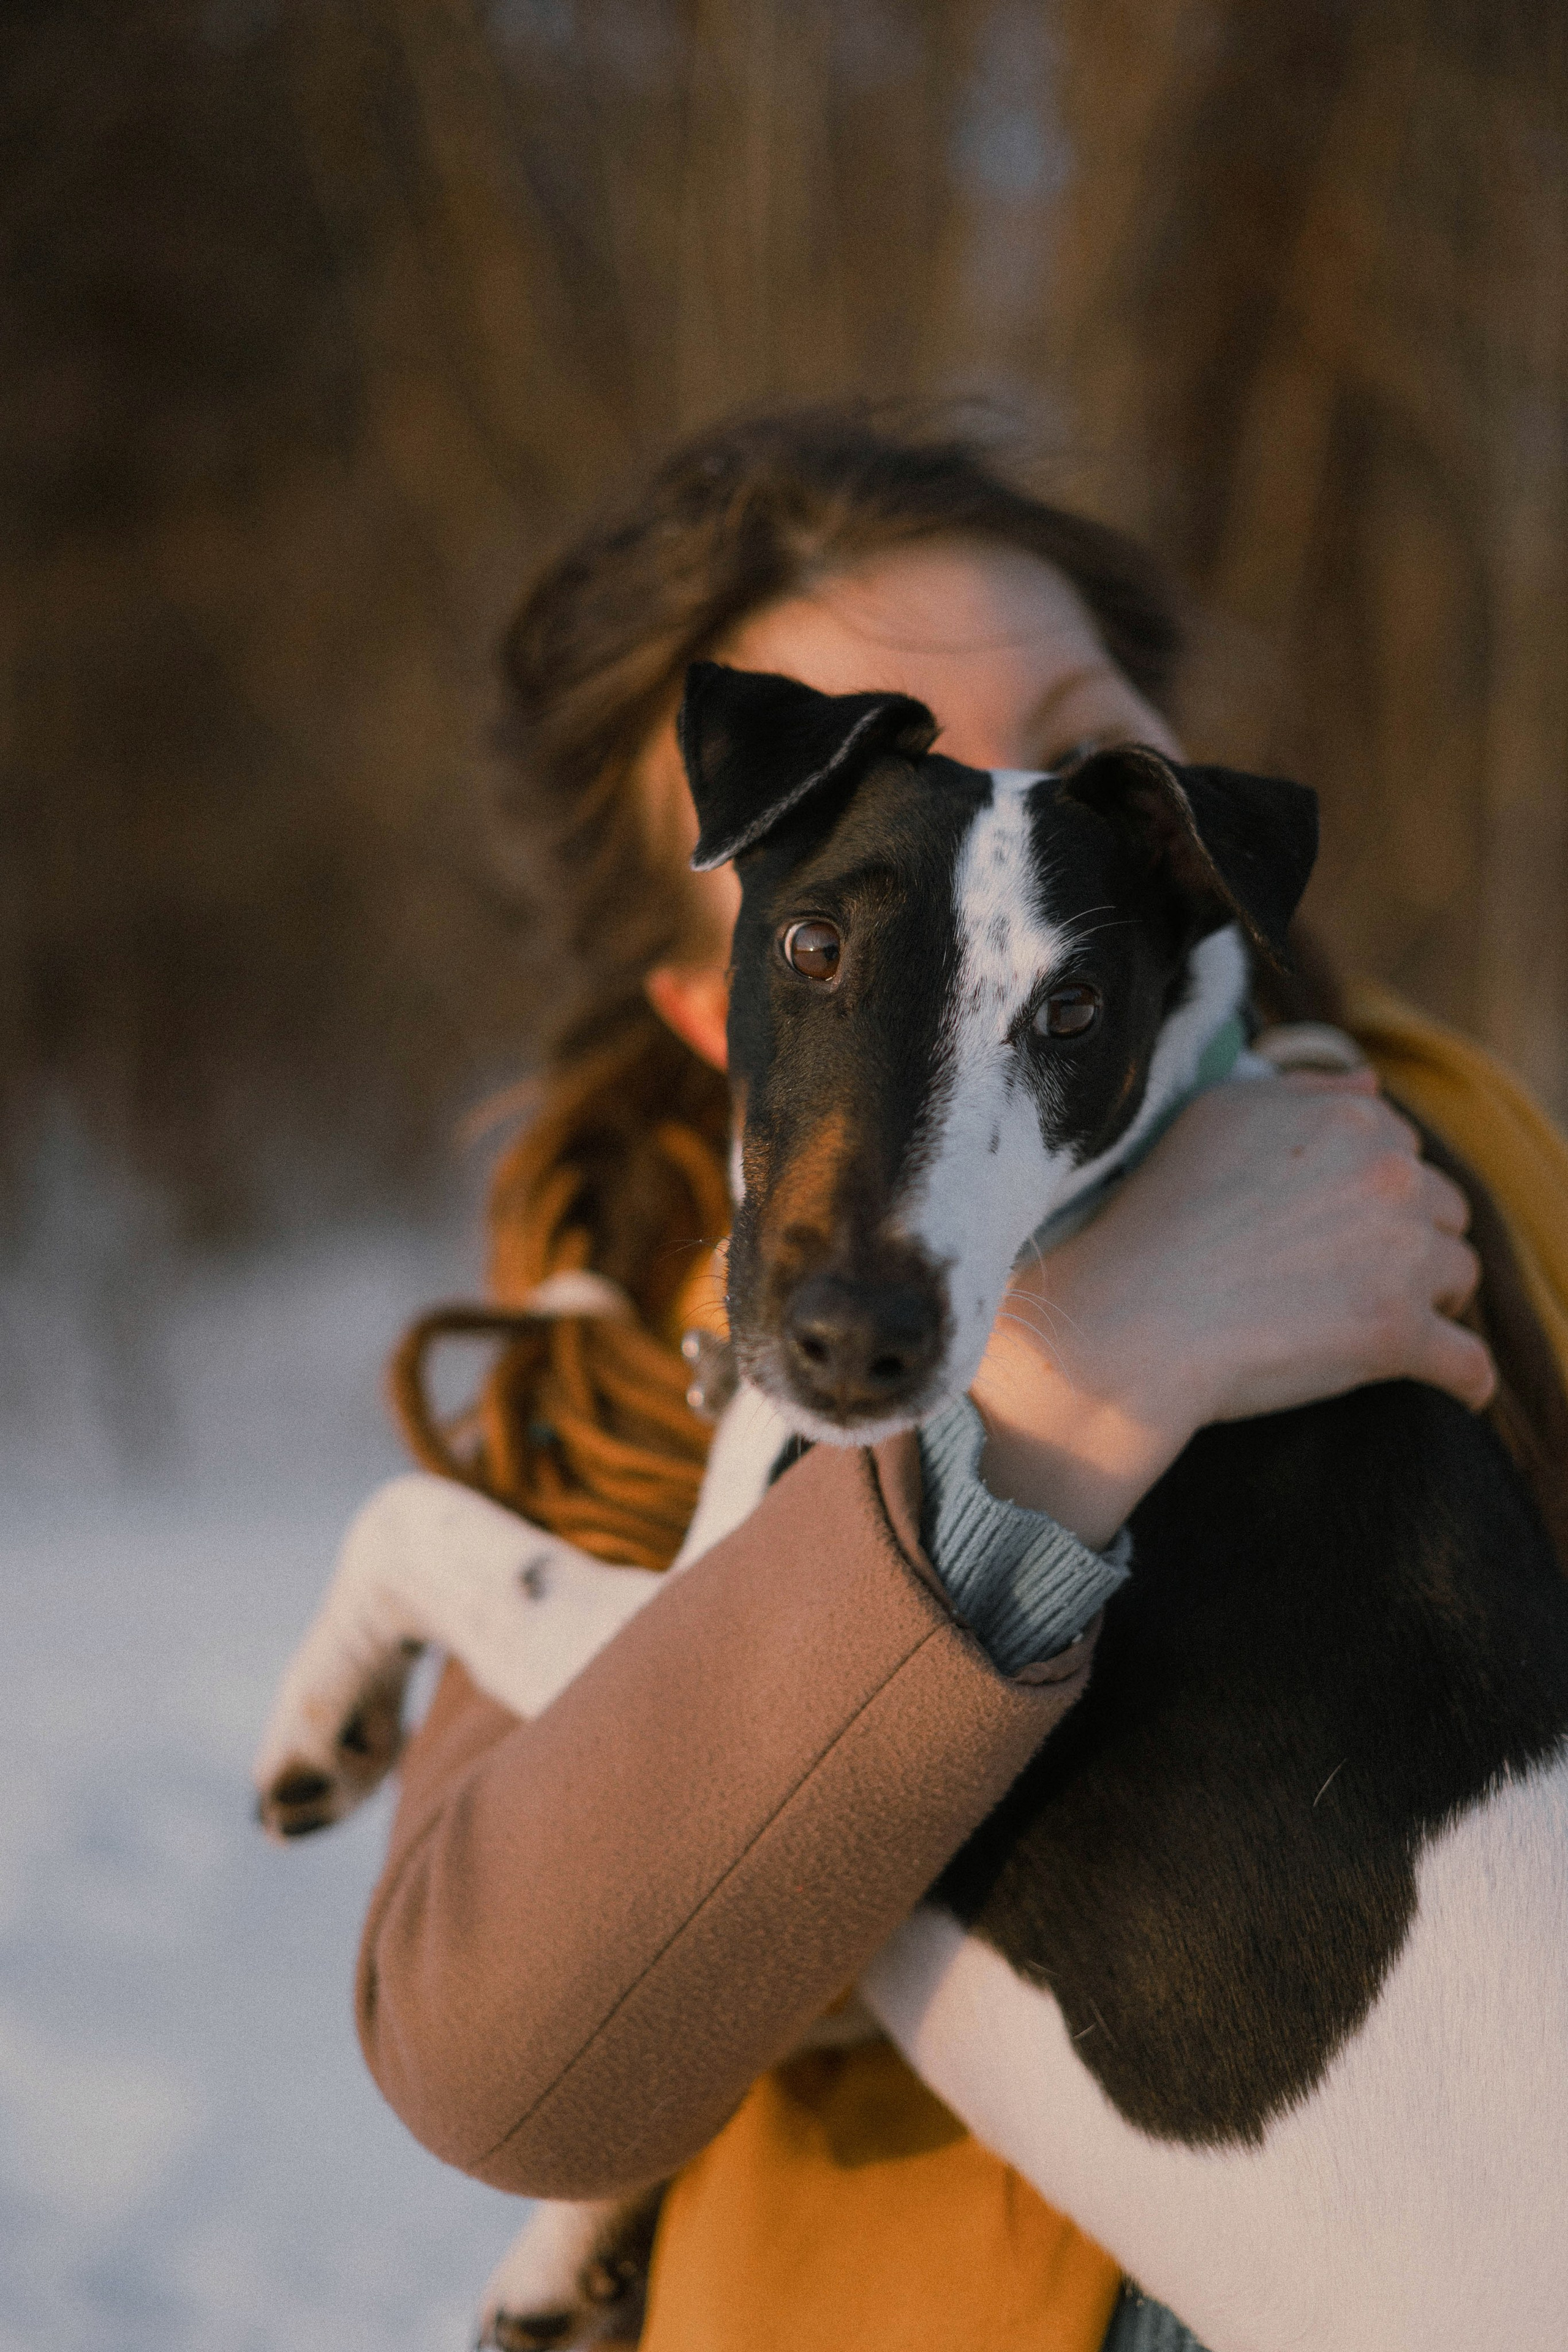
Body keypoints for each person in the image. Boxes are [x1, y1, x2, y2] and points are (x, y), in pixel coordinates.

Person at [358, 405, 1556, 2352]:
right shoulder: (617, 1411)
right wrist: (1084, 1392)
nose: (994, 853)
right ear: (714, 987)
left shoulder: (1465, 1173)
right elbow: (499, 2059)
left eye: (1068, 755)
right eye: (879, 835)